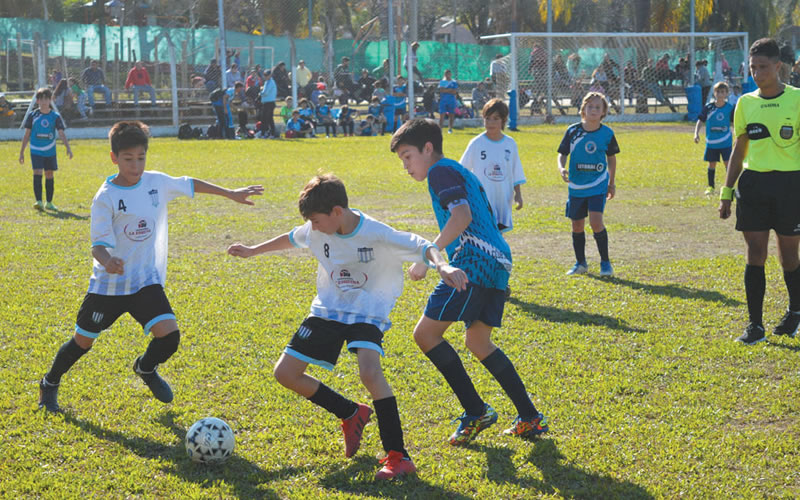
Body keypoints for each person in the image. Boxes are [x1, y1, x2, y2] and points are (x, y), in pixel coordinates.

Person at [227, 173, 465, 478]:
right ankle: (351, 412)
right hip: (329, 309)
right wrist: (251, 250)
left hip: (367, 310)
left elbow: (421, 245)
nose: (312, 227)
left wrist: (442, 265)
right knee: (285, 373)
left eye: (316, 220)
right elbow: (291, 237)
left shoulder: (375, 233)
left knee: (369, 372)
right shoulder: (316, 230)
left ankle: (398, 456)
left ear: (337, 212)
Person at [36, 121, 263, 414]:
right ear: (114, 158)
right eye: (128, 159)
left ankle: (145, 368)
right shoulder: (105, 196)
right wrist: (108, 261)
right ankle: (49, 382)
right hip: (110, 286)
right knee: (83, 342)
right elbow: (97, 245)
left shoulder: (155, 182)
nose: (136, 165)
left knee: (169, 336)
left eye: (141, 157)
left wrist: (230, 192)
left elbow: (190, 183)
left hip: (145, 281)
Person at [389, 118, 549, 446]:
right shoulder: (457, 170)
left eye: (407, 156)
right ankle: (530, 417)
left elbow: (462, 217)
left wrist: (429, 257)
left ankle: (476, 412)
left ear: (427, 149)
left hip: (474, 261)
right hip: (498, 260)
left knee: (426, 334)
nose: (405, 165)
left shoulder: (439, 172)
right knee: (478, 342)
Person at [718, 38, 800, 345]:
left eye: (762, 67)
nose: (757, 73)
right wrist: (726, 191)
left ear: (778, 66)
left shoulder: (797, 99)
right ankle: (755, 326)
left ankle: (795, 313)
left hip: (791, 184)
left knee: (789, 255)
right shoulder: (746, 102)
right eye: (752, 68)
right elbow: (739, 148)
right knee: (755, 254)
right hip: (753, 185)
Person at [557, 92, 620, 277]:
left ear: (603, 112)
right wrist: (561, 168)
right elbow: (562, 153)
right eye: (590, 106)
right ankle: (580, 263)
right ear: (583, 109)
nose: (593, 110)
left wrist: (612, 182)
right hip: (576, 186)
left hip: (598, 184)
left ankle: (605, 263)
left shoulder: (607, 133)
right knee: (577, 225)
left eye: (597, 107)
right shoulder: (573, 131)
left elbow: (611, 158)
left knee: (596, 222)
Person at [459, 98, 525, 235]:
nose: (490, 123)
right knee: (484, 233)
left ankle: (497, 256)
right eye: (487, 118)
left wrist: (518, 195)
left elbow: (515, 171)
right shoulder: (476, 143)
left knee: (498, 235)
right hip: (482, 198)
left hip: (502, 197)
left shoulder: (510, 144)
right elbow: (462, 170)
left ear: (503, 120)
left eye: (495, 118)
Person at [18, 87, 73, 211]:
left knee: (49, 173)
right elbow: (27, 134)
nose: (44, 101)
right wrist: (21, 152)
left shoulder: (55, 116)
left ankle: (49, 202)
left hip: (50, 151)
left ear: (50, 100)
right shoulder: (33, 115)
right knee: (37, 172)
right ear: (37, 101)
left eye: (46, 99)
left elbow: (61, 133)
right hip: (36, 150)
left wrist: (68, 148)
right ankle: (38, 201)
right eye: (41, 99)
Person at [693, 81, 734, 195]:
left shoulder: (730, 108)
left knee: (728, 163)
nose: (720, 94)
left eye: (723, 92)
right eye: (718, 92)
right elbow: (700, 120)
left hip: (725, 142)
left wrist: (737, 134)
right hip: (712, 142)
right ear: (714, 93)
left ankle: (729, 187)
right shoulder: (709, 107)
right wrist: (696, 133)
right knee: (712, 164)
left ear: (727, 94)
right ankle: (711, 187)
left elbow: (735, 122)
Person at [259, 70, 278, 139]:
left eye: (267, 75)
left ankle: (264, 133)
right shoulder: (267, 82)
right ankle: (270, 133)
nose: (266, 76)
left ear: (270, 75)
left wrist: (260, 92)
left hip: (269, 103)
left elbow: (265, 93)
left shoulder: (270, 82)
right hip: (267, 103)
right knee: (268, 119)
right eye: (265, 75)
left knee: (266, 119)